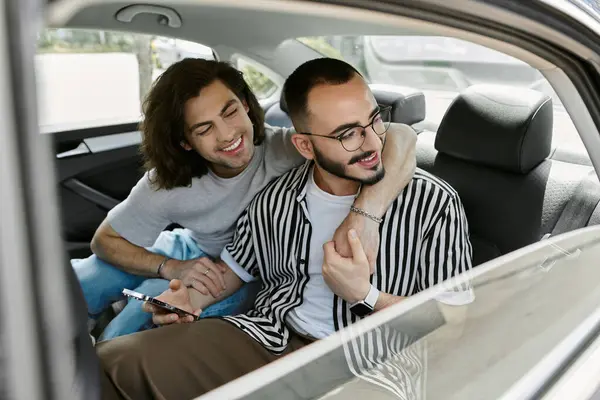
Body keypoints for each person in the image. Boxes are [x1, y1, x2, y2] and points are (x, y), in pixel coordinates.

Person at [97, 57, 472, 400]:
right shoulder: (273, 199)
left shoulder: (434, 203)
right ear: (305, 146)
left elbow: (454, 323)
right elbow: (232, 272)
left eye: (374, 121)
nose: (372, 142)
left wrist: (366, 295)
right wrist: (186, 301)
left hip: (372, 365)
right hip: (268, 340)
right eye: (346, 135)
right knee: (111, 361)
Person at [72, 58, 417, 340]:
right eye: (204, 129)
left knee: (129, 327)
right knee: (80, 282)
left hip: (247, 274)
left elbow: (401, 137)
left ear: (247, 106)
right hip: (191, 250)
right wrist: (171, 268)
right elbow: (105, 241)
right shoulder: (169, 182)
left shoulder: (293, 148)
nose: (228, 135)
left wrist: (364, 216)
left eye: (230, 112)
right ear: (185, 142)